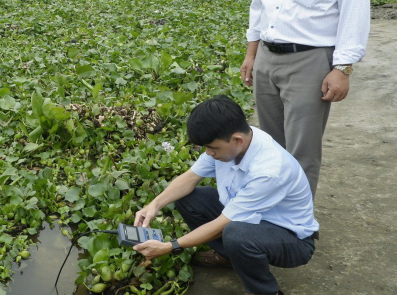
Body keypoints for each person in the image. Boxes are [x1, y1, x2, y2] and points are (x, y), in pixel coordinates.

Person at [240, 0, 372, 198]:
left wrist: (342, 68)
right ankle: (271, 214)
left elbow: (354, 9)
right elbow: (260, 3)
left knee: (302, 152)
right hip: (268, 58)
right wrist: (251, 52)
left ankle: (297, 227)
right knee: (269, 146)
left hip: (310, 60)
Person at [133, 95, 318, 295]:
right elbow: (190, 177)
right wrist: (154, 206)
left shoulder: (268, 170)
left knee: (235, 234)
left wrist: (170, 247)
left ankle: (263, 291)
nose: (208, 153)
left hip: (292, 239)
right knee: (190, 200)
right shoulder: (233, 141)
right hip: (250, 218)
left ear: (237, 140)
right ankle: (231, 256)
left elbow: (222, 224)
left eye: (212, 148)